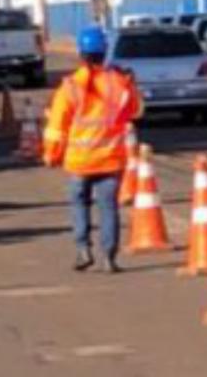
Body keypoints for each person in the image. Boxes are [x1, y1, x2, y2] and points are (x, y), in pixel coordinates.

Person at [43, 25, 142, 273]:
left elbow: (56, 127)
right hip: (110, 160)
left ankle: (83, 249)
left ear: (80, 53)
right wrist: (131, 85)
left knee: (79, 204)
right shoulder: (118, 83)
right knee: (108, 207)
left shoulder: (70, 87)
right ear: (105, 51)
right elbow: (136, 112)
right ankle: (109, 257)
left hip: (79, 162)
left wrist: (52, 154)